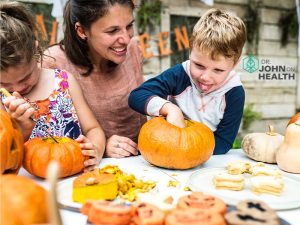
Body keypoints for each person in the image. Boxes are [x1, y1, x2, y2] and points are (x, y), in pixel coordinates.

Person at [0, 1, 106, 171]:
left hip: (75, 176)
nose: (18, 88)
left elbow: (93, 128)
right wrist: (21, 130)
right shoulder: (2, 102)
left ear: (36, 52)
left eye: (25, 77)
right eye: (5, 84)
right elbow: (4, 158)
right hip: (30, 186)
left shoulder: (64, 82)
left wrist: (96, 149)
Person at [129, 8, 247, 155]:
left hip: (204, 159)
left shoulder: (234, 93)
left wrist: (189, 153)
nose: (205, 77)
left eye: (218, 70)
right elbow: (137, 96)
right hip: (166, 148)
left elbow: (224, 142)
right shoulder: (180, 75)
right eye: (199, 65)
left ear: (234, 64)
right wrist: (170, 109)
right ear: (190, 51)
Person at [43, 0, 146, 158]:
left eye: (129, 26)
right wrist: (100, 147)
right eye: (112, 31)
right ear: (82, 30)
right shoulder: (53, 63)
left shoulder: (132, 48)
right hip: (90, 170)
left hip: (144, 162)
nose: (126, 39)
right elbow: (46, 141)